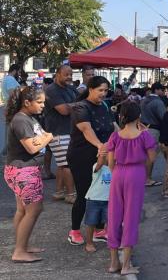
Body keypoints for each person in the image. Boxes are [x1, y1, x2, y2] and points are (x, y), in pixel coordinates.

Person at [3, 86, 53, 263]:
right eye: (39, 102)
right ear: (27, 102)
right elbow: (32, 146)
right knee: (34, 209)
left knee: (23, 210)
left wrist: (44, 138)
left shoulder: (27, 118)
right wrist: (47, 138)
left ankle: (22, 245)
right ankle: (19, 251)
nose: (42, 106)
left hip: (22, 170)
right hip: (24, 171)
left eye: (43, 102)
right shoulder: (21, 120)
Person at [106, 102, 157, 275]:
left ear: (121, 116)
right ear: (139, 116)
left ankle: (114, 263)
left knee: (114, 216)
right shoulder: (144, 136)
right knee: (131, 217)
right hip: (136, 173)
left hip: (118, 173)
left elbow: (110, 162)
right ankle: (126, 264)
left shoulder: (115, 136)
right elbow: (152, 158)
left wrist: (118, 172)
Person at [67, 76, 115, 246]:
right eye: (100, 90)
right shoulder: (80, 107)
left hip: (103, 156)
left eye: (106, 90)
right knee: (85, 193)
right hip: (82, 156)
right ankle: (74, 231)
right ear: (90, 89)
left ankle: (98, 229)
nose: (103, 93)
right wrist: (100, 146)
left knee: (102, 193)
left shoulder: (104, 105)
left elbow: (113, 127)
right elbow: (87, 130)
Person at [44, 65, 77, 204]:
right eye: (66, 74)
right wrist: (77, 105)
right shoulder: (51, 90)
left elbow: (74, 104)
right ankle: (71, 194)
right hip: (58, 132)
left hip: (67, 130)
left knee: (62, 164)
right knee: (68, 165)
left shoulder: (70, 89)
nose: (69, 77)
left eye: (70, 74)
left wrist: (73, 105)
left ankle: (59, 192)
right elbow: (63, 110)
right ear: (57, 74)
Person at [83, 153, 111, 253]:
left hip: (109, 200)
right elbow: (99, 163)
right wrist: (103, 153)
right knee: (91, 222)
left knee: (111, 222)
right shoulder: (98, 166)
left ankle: (113, 241)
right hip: (94, 199)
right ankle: (89, 243)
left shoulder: (116, 167)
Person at [140, 82, 166, 187]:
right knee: (150, 156)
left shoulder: (144, 100)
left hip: (142, 129)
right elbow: (164, 117)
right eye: (162, 90)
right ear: (157, 90)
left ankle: (143, 177)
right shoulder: (158, 102)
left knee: (143, 155)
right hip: (153, 130)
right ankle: (147, 179)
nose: (163, 92)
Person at [1, 63, 22, 156]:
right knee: (12, 130)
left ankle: (7, 151)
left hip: (11, 107)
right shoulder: (10, 79)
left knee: (11, 130)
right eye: (19, 71)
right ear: (15, 70)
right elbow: (12, 93)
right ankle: (7, 152)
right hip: (12, 108)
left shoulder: (8, 78)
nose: (20, 73)